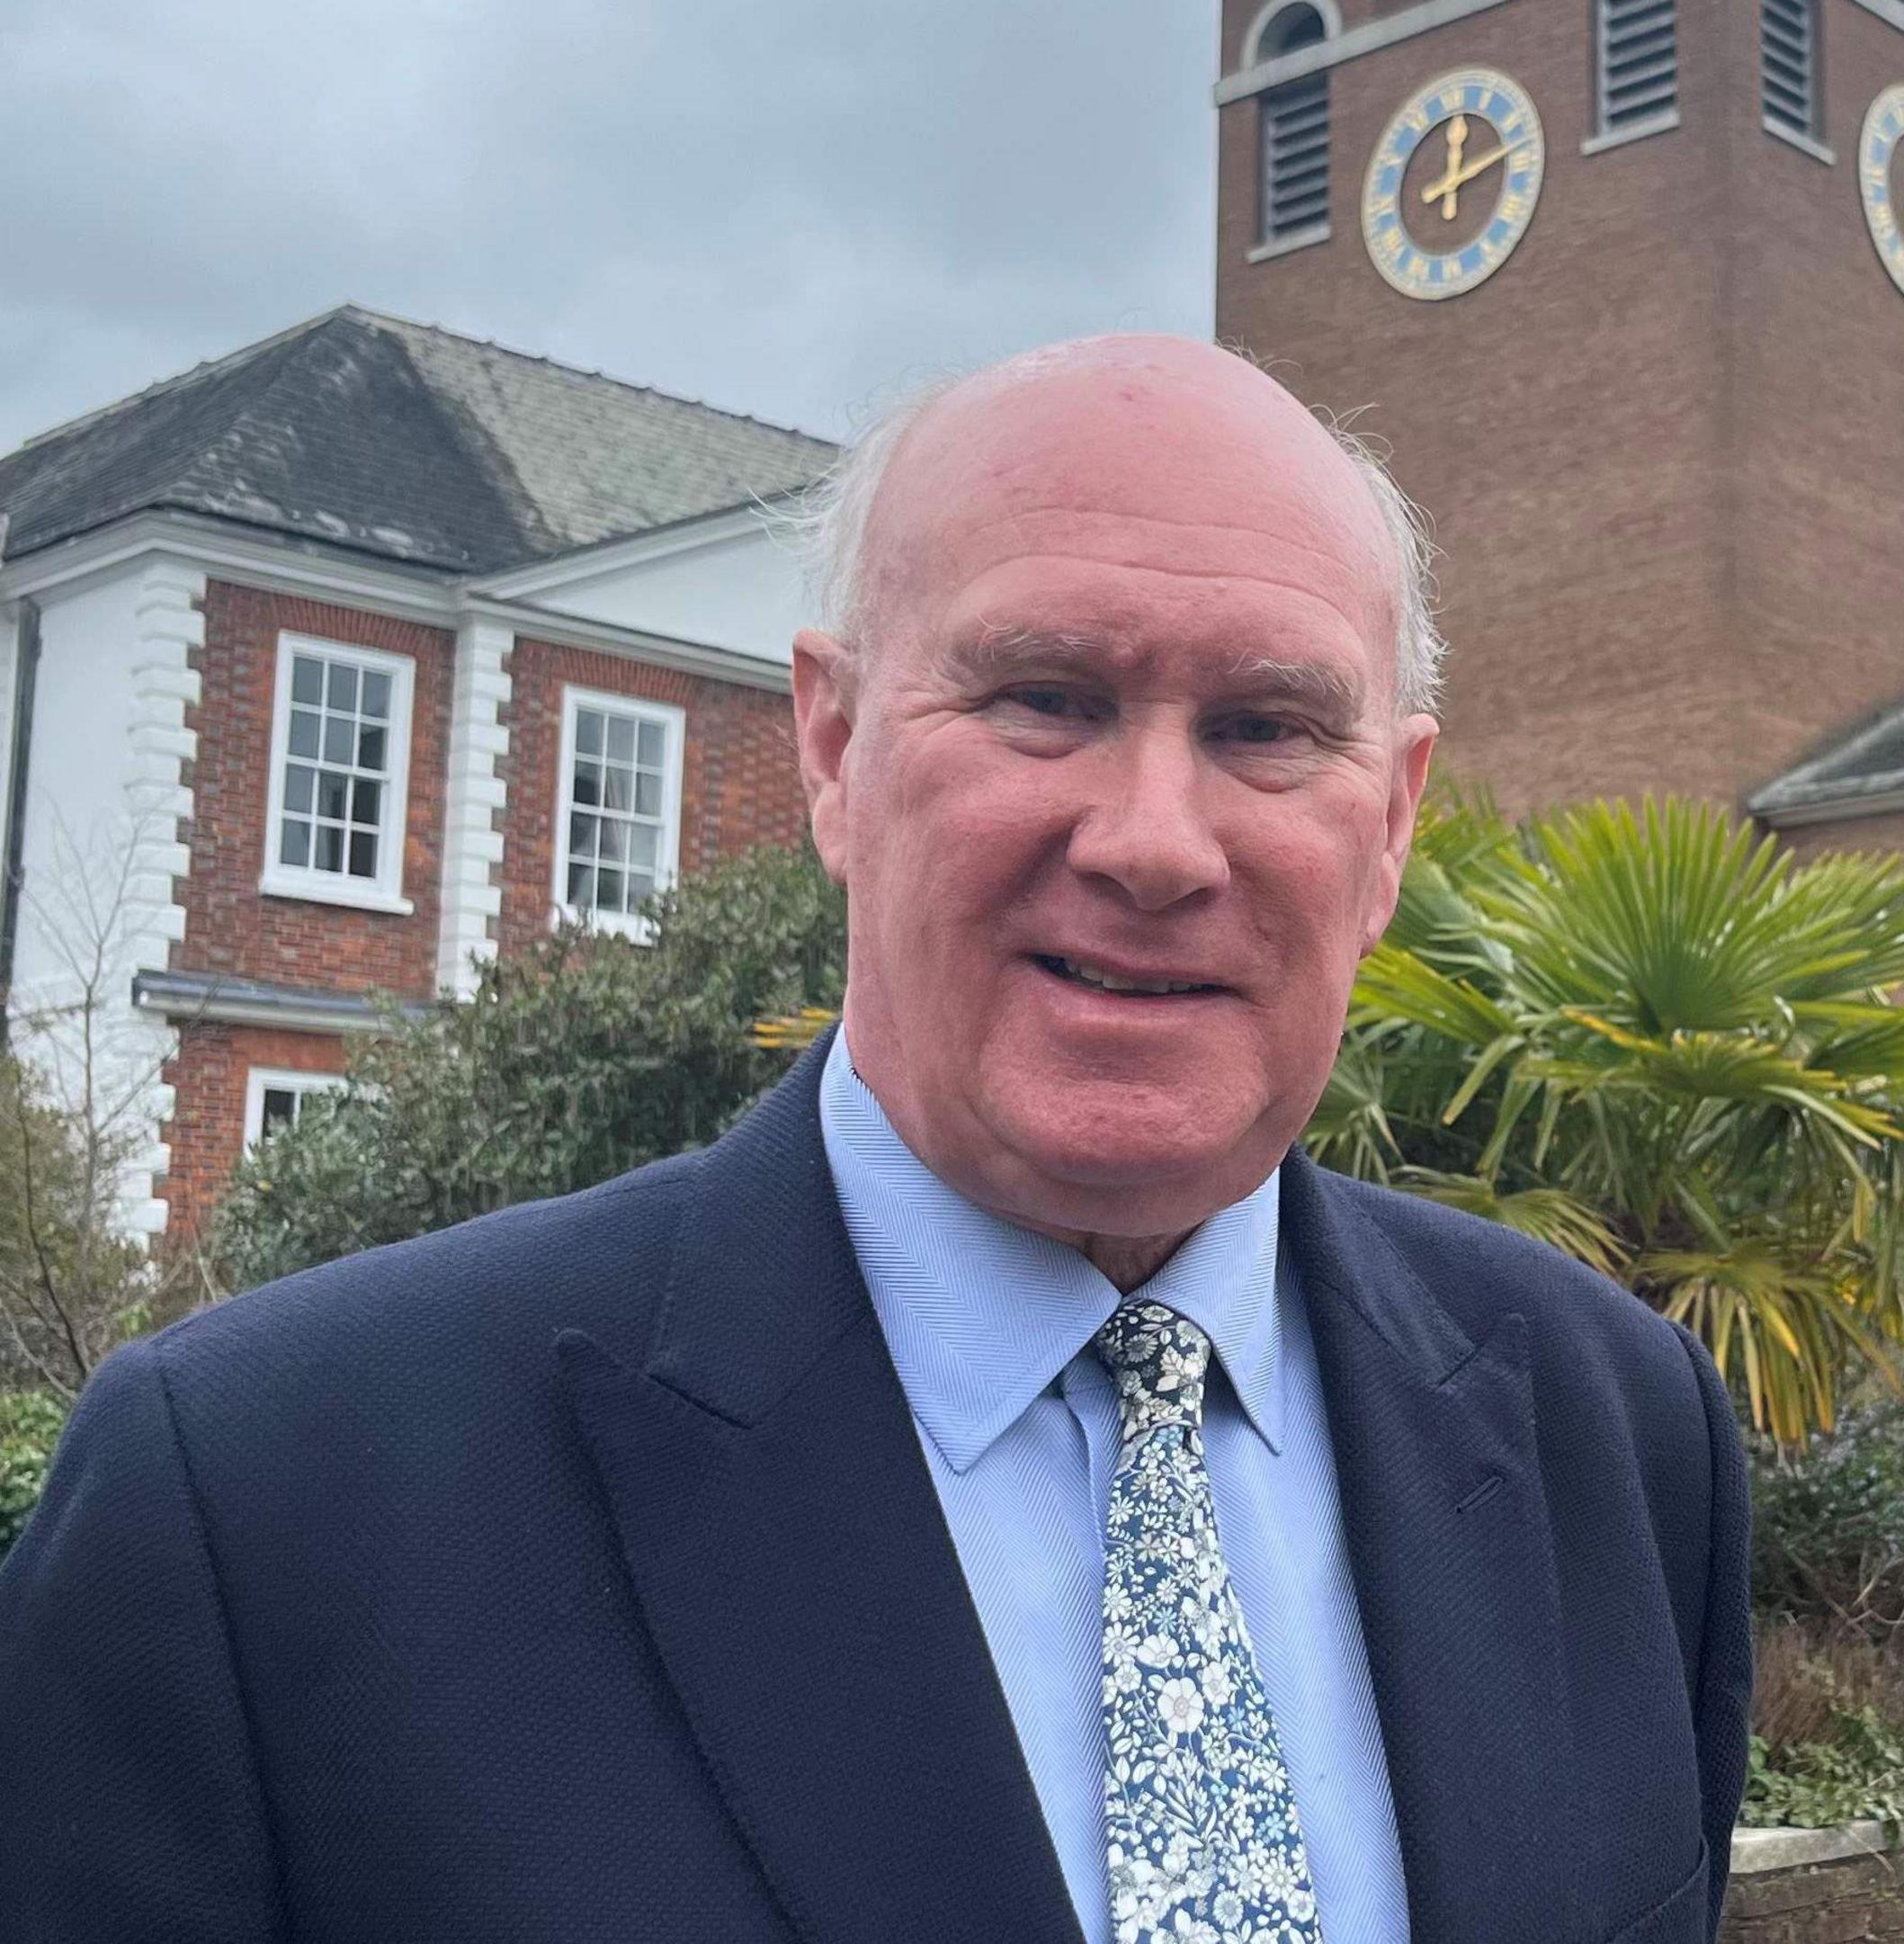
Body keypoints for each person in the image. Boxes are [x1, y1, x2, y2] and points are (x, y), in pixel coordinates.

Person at [0, 336, 1750, 1944]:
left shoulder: (1618, 1435)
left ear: (1391, 820)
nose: (1155, 840)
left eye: (1266, 729)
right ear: (833, 750)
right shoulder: (262, 1502)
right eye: (1043, 697)